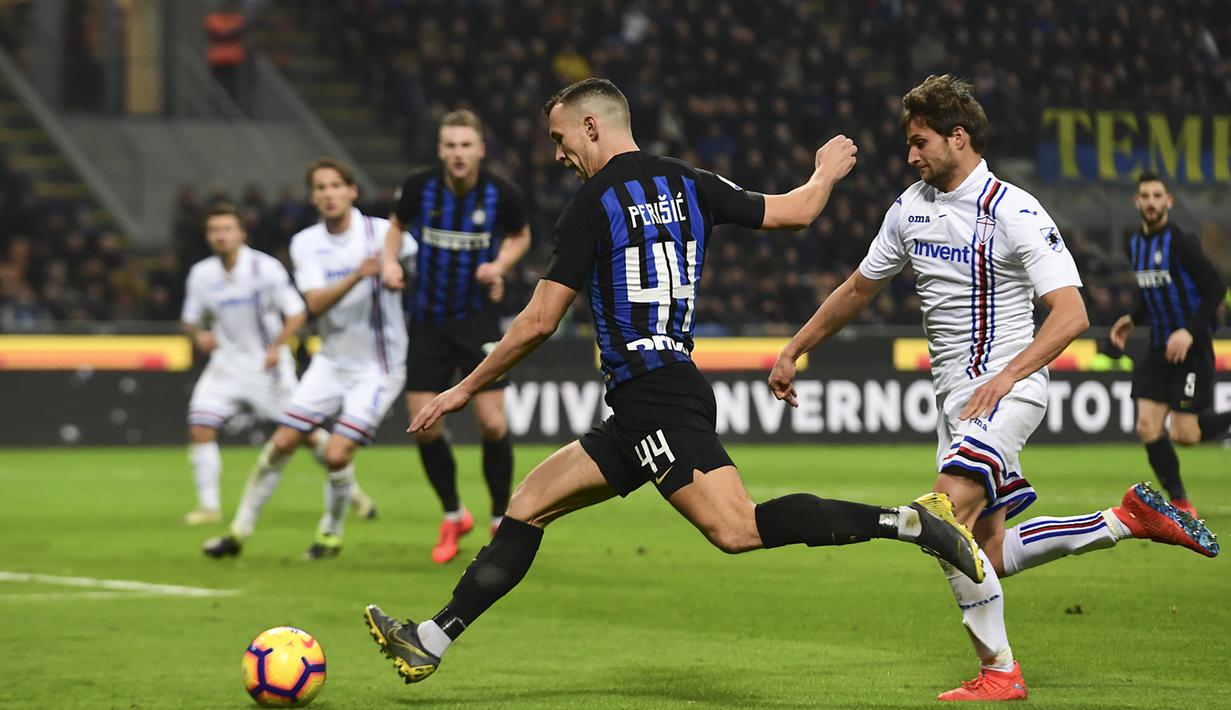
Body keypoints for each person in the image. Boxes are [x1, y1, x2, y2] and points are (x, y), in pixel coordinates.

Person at [362, 77, 988, 685]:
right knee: (527, 506)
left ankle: (908, 523)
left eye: (560, 139)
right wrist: (824, 172)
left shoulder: (591, 204)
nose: (557, 156)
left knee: (736, 528)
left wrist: (463, 388)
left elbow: (538, 321)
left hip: (653, 396)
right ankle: (429, 641)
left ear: (591, 125)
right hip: (652, 396)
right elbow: (794, 212)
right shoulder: (688, 181)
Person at [769, 75, 1220, 702]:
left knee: (941, 512)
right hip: (954, 403)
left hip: (1009, 389)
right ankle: (1127, 519)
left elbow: (1070, 313)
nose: (910, 156)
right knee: (989, 549)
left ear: (958, 137)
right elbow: (856, 290)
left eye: (920, 142)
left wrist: (1010, 375)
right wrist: (795, 348)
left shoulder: (1014, 210)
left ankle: (1001, 672)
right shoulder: (909, 208)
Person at [204, 158, 414, 560]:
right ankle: (237, 533)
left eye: (336, 185)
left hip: (378, 367)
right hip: (331, 362)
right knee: (282, 441)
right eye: (320, 187)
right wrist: (359, 273)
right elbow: (314, 302)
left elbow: (416, 260)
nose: (328, 193)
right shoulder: (306, 243)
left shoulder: (382, 232)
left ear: (352, 190)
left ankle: (330, 535)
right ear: (313, 196)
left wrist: (395, 272)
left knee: (335, 453)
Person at [382, 109, 532, 563]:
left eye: (466, 145)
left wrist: (499, 266)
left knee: (492, 423)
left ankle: (497, 517)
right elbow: (395, 226)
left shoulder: (502, 194)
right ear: (440, 150)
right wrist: (390, 262)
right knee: (425, 427)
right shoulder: (419, 187)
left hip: (476, 322)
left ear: (480, 150)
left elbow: (521, 236)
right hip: (426, 320)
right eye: (450, 145)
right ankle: (453, 514)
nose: (458, 153)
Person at [182, 203, 377, 526]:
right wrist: (199, 334)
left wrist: (276, 346)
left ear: (241, 233)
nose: (220, 236)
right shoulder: (201, 274)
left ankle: (351, 490)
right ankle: (209, 506)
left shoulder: (265, 268)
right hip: (226, 365)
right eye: (214, 230)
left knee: (305, 434)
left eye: (227, 229)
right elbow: (189, 320)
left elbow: (297, 311)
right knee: (200, 425)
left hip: (266, 365)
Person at [1109, 173, 1231, 517]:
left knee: (1186, 434)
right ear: (1137, 201)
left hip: (1190, 349)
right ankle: (1180, 502)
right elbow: (1152, 291)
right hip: (1158, 350)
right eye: (1145, 195)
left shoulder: (1180, 241)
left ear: (1168, 202)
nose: (1151, 201)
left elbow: (1215, 289)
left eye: (1157, 195)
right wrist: (1132, 318)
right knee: (1146, 426)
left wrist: (1189, 332)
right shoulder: (1135, 244)